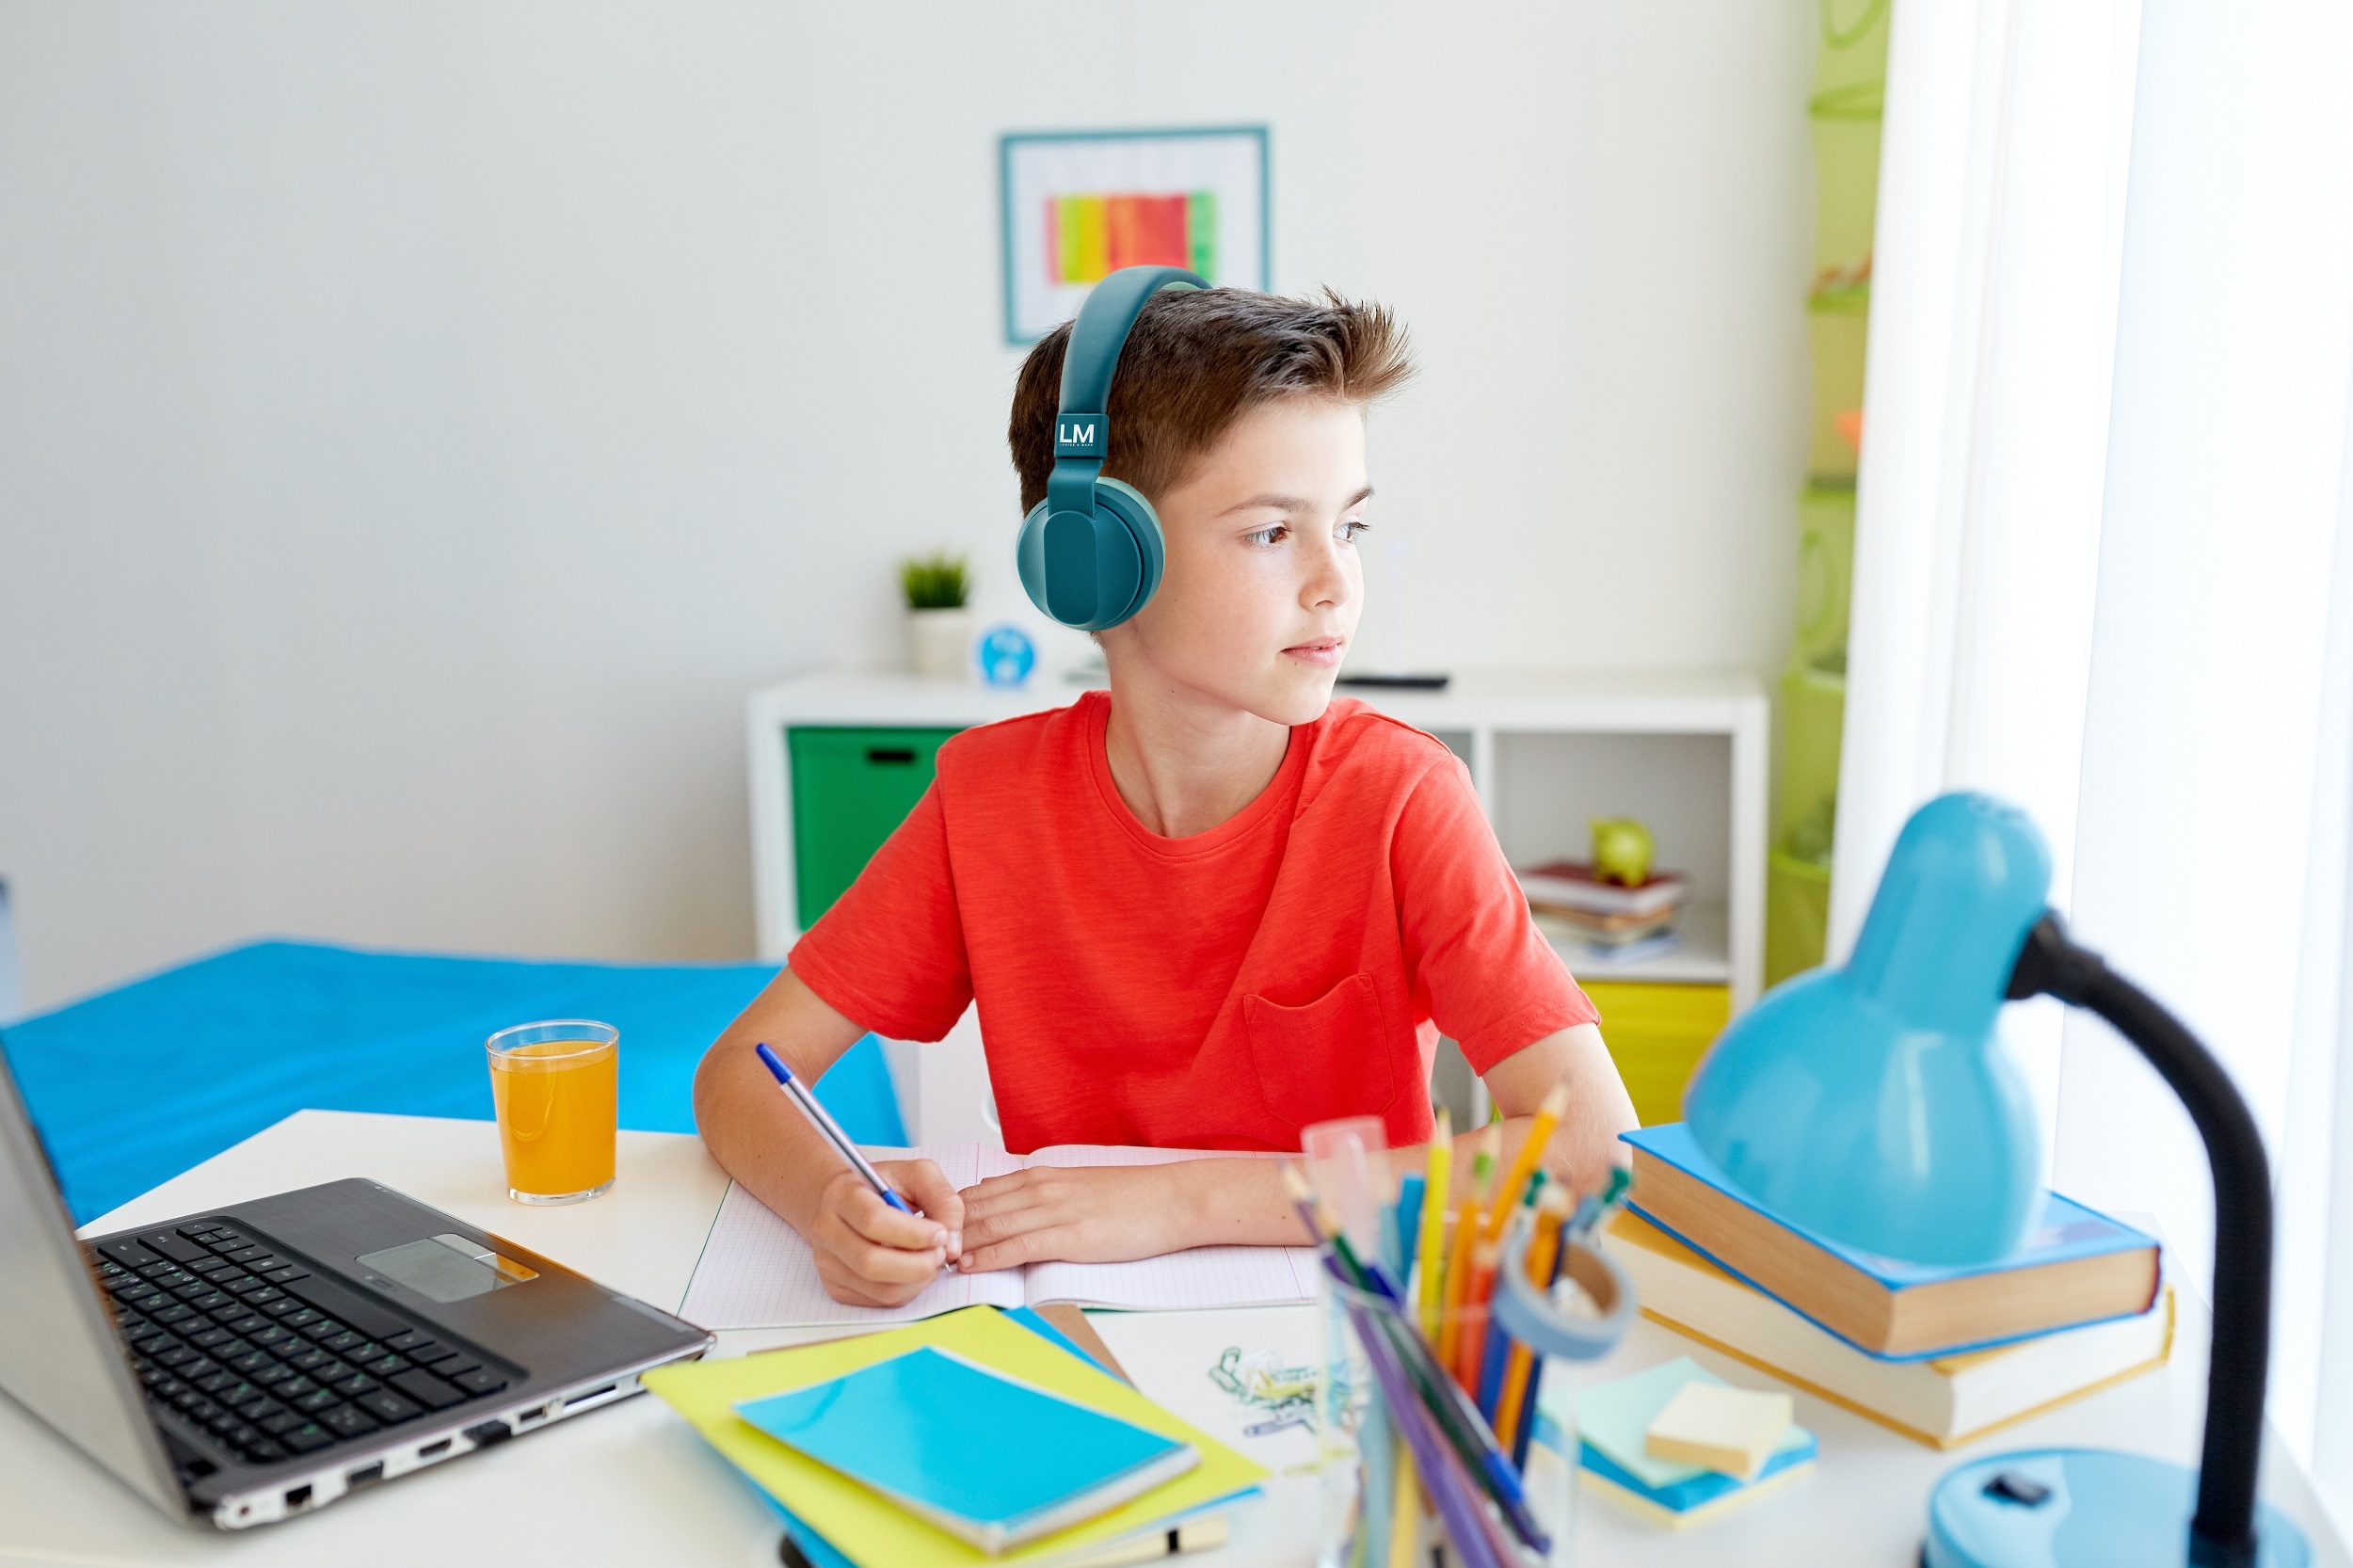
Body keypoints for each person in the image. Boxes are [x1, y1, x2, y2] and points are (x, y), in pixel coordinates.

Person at [695, 285, 1638, 1307]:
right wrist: (832, 1196)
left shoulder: (1402, 799)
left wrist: (1184, 1200)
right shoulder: (986, 803)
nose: (1336, 584)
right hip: (1081, 1329)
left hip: (1349, 1333)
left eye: (1349, 528)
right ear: (1095, 562)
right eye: (1273, 533)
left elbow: (1592, 1151)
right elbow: (738, 1076)